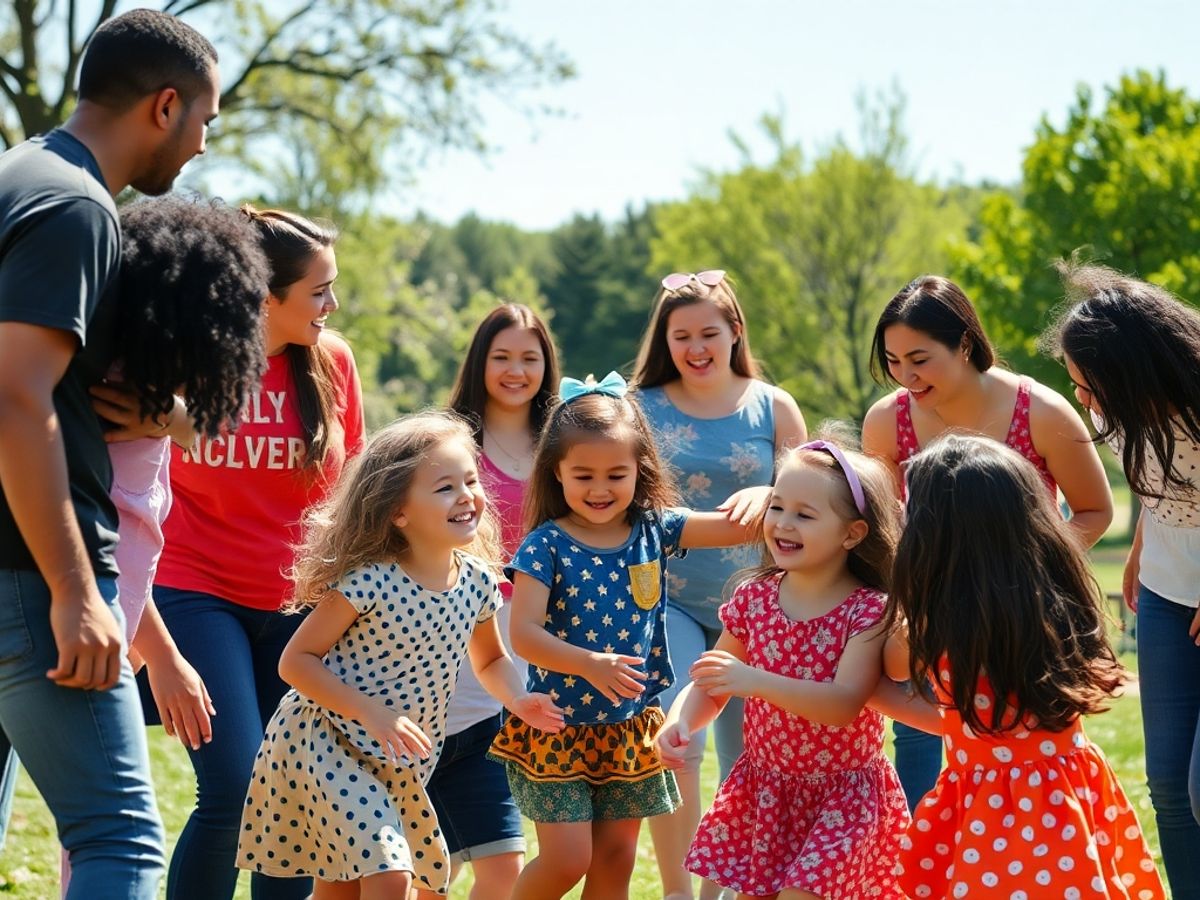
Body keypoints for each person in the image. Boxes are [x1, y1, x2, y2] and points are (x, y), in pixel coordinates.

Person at [0, 10, 218, 897]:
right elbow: (15, 396)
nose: (201, 146)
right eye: (204, 121)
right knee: (119, 839)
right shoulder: (77, 208)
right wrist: (75, 589)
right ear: (165, 106)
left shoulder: (20, 174)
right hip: (28, 570)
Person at [236, 411, 564, 899]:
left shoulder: (476, 583)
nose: (467, 495)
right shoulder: (368, 582)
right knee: (392, 872)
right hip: (326, 743)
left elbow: (492, 661)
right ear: (398, 512)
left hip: (395, 760)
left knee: (339, 888)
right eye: (445, 487)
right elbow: (295, 661)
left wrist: (517, 699)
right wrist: (372, 713)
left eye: (470, 480)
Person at [151, 206, 365, 899]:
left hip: (301, 608)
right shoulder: (188, 356)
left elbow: (354, 481)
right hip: (196, 589)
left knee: (295, 795)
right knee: (236, 784)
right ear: (265, 295)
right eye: (318, 291)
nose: (332, 305)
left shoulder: (333, 361)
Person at [487, 372, 760, 900]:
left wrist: (767, 492)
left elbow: (736, 526)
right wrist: (589, 663)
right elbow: (523, 634)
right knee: (569, 858)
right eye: (583, 475)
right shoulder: (545, 546)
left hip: (629, 728)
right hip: (558, 727)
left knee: (616, 862)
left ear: (640, 470)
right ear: (557, 474)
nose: (600, 489)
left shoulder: (655, 528)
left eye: (616, 474)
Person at [861, 274, 1113, 810]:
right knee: (922, 751)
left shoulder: (1041, 411)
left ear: (966, 344)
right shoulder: (886, 422)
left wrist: (1023, 574)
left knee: (1026, 751)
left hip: (1021, 621)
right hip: (928, 617)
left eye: (920, 358)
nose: (904, 375)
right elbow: (884, 528)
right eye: (892, 359)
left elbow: (1095, 510)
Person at [877, 434, 1163, 899]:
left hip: (987, 810)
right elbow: (980, 722)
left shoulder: (931, 626)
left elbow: (899, 676)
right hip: (1067, 800)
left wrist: (863, 686)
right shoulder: (1052, 604)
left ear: (940, 534)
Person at [657, 435, 909, 899]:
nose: (782, 524)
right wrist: (681, 722)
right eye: (776, 507)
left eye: (805, 515)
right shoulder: (755, 599)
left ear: (852, 534)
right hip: (767, 795)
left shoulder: (867, 611)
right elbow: (714, 682)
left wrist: (753, 680)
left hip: (844, 800)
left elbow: (842, 704)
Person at [633, 269, 807, 900]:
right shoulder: (640, 406)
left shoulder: (773, 404)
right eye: (681, 336)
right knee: (679, 738)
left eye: (709, 332)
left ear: (735, 331)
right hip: (668, 600)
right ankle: (680, 893)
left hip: (761, 608)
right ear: (666, 340)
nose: (696, 347)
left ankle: (730, 890)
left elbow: (815, 494)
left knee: (753, 760)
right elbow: (625, 499)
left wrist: (772, 490)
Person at [1042, 263, 1200, 899]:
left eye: (1089, 384)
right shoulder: (1121, 412)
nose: (1083, 398)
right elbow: (1157, 486)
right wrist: (1138, 547)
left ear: (1132, 368)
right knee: (1167, 785)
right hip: (1166, 594)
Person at [415, 304, 560, 900]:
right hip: (453, 621)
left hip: (534, 628)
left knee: (502, 857)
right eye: (501, 356)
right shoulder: (450, 440)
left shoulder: (562, 437)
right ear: (480, 363)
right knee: (432, 864)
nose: (515, 370)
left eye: (530, 357)